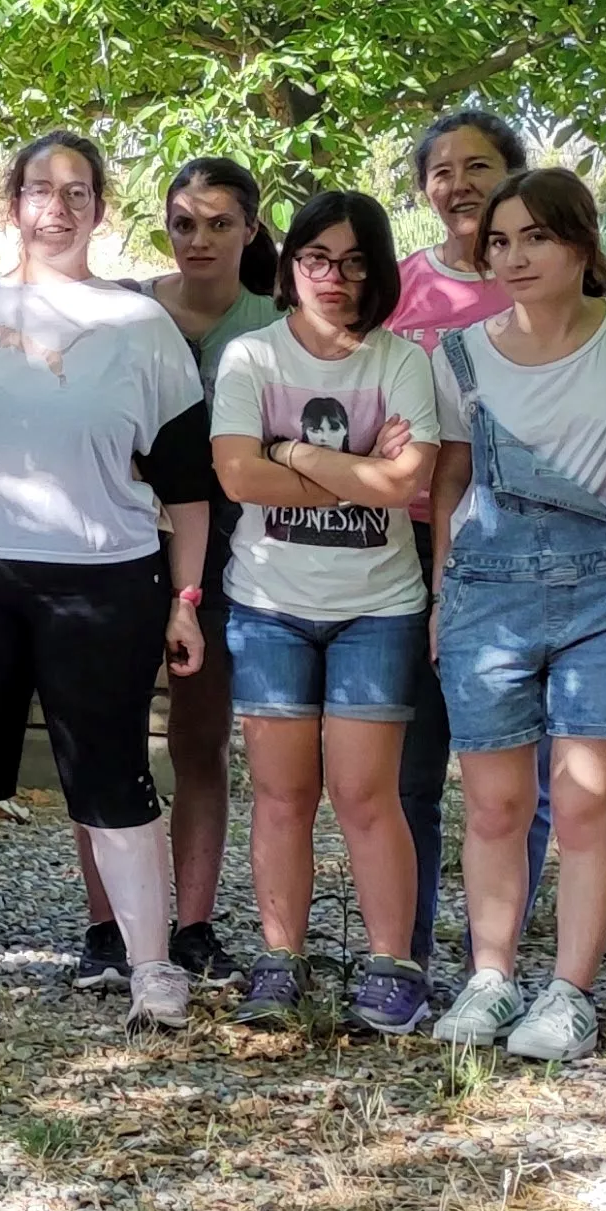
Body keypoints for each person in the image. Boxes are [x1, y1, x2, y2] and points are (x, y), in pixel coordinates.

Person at [0, 132, 217, 1029]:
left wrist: (185, 602)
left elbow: (189, 489)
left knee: (113, 774)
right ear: (11, 204)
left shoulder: (144, 331)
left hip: (105, 584)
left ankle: (150, 967)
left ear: (101, 208)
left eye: (77, 191)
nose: (56, 206)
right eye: (38, 189)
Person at [426, 168, 606, 1061]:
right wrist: (439, 594)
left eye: (535, 236)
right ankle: (490, 978)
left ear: (582, 244)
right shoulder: (459, 356)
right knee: (494, 806)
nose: (514, 256)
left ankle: (570, 993)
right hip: (485, 591)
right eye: (499, 242)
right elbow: (451, 478)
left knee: (583, 805)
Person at [207, 190, 442, 1036]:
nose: (333, 278)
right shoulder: (251, 359)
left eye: (352, 262)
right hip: (269, 606)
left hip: (377, 608)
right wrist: (355, 470)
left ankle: (393, 967)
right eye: (316, 259)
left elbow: (402, 486)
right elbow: (238, 478)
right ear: (289, 265)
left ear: (377, 271)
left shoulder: (402, 361)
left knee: (366, 793)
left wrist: (296, 451)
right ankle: (282, 959)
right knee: (280, 793)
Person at [73, 157, 278, 991]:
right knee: (104, 742)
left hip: (235, 559)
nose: (199, 239)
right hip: (116, 551)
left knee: (199, 743)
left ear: (251, 231)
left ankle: (191, 925)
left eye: (219, 223)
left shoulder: (277, 324)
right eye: (185, 223)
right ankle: (107, 930)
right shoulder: (120, 312)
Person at [385, 108, 532, 967]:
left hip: (517, 542)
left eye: (478, 166)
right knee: (413, 765)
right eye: (442, 171)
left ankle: (498, 958)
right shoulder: (402, 287)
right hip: (404, 540)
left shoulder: (539, 277)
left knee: (515, 772)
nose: (460, 185)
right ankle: (402, 952)